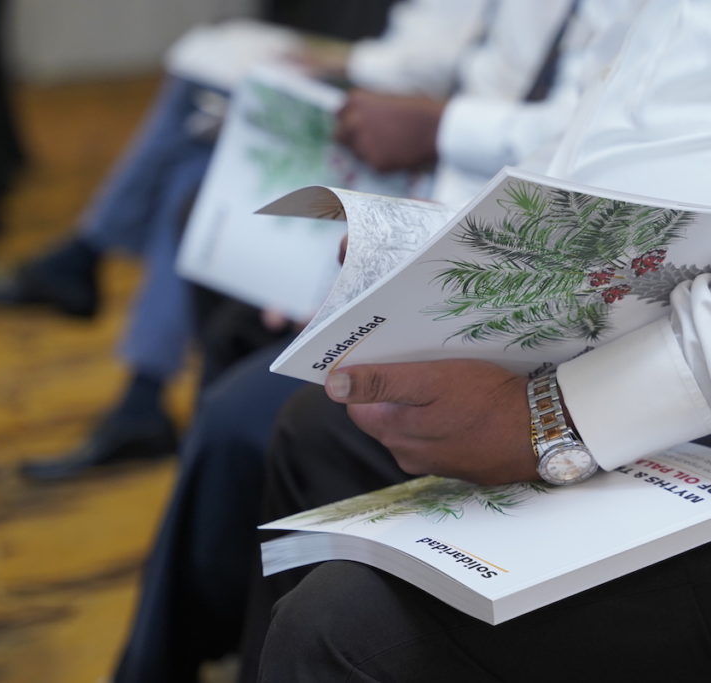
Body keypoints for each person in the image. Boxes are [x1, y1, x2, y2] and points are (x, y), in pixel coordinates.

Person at [251, 2, 711, 681]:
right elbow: (605, 132)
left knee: (353, 633)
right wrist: (439, 268)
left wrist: (556, 419)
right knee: (316, 432)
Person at [109, 1, 638, 680]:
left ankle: (178, 649)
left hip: (540, 263)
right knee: (228, 266)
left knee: (257, 420)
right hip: (451, 207)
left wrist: (439, 133)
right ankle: (211, 622)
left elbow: (580, 153)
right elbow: (468, 70)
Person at [0, 0, 489, 481]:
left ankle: (97, 286)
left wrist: (343, 62)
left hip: (425, 127)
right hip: (407, 91)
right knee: (201, 121)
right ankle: (137, 397)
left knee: (202, 138)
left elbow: (452, 64)